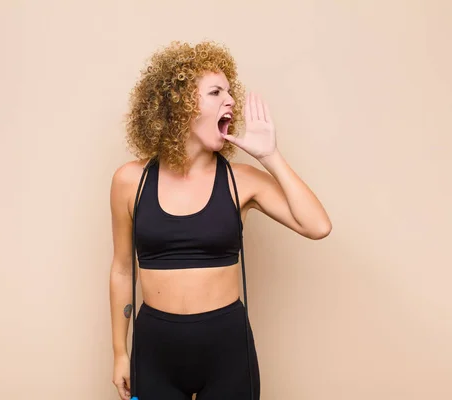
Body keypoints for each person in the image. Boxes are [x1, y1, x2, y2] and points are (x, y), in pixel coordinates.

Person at [109, 40, 332, 400]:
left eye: (230, 92)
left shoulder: (241, 181)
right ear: (178, 104)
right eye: (216, 92)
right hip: (154, 351)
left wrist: (270, 156)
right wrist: (120, 353)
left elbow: (317, 226)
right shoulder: (129, 181)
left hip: (227, 351)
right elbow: (121, 269)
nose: (231, 100)